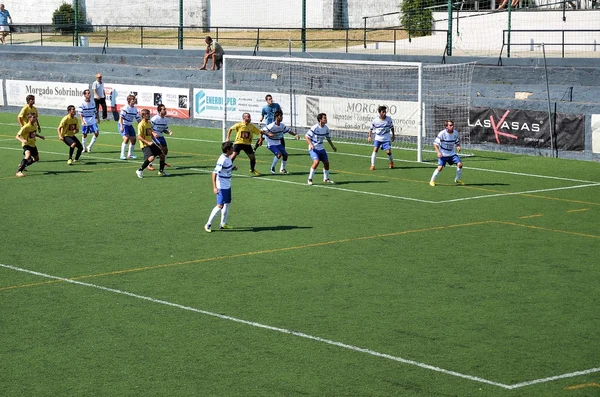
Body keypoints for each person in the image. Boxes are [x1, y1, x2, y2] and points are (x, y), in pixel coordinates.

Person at [204, 141, 237, 233]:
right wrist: (215, 187)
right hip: (221, 186)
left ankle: (223, 224)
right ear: (228, 150)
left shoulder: (228, 158)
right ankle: (208, 224)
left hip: (227, 185)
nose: (233, 149)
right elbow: (214, 173)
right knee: (220, 206)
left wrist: (232, 168)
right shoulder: (222, 159)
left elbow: (225, 169)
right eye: (232, 148)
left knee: (227, 203)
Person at [261, 110, 300, 174]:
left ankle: (282, 169)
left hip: (278, 142)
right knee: (279, 155)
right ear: (276, 117)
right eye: (280, 116)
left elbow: (288, 131)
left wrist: (295, 134)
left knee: (285, 155)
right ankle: (272, 168)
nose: (281, 118)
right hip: (270, 142)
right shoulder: (271, 126)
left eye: (282, 116)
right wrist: (267, 135)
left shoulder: (282, 126)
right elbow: (261, 131)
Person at [429, 120, 464, 187]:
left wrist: (458, 146)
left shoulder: (455, 133)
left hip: (452, 154)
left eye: (452, 125)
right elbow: (435, 144)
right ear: (446, 126)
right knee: (440, 167)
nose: (452, 126)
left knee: (460, 165)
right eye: (450, 125)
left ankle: (457, 179)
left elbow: (457, 141)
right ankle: (432, 181)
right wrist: (438, 152)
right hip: (443, 154)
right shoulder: (442, 133)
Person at [305, 113, 337, 185]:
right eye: (324, 118)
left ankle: (326, 179)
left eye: (326, 118)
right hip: (313, 148)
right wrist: (311, 144)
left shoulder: (326, 128)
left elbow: (328, 138)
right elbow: (306, 137)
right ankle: (310, 179)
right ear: (320, 120)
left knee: (326, 163)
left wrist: (333, 146)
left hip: (321, 148)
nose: (326, 119)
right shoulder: (315, 127)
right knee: (316, 162)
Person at [136, 109, 168, 178]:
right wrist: (147, 142)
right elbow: (139, 137)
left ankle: (161, 171)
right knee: (151, 157)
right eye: (147, 114)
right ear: (143, 115)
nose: (149, 115)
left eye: (149, 113)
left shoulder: (149, 123)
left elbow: (151, 133)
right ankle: (140, 170)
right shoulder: (141, 124)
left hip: (151, 143)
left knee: (162, 155)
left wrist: (156, 140)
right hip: (145, 144)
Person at [15, 113, 45, 177]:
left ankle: (23, 165)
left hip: (33, 145)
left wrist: (39, 136)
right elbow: (17, 136)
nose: (35, 118)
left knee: (36, 159)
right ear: (29, 118)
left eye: (35, 117)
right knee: (27, 155)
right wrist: (22, 140)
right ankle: (19, 172)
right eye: (34, 117)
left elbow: (33, 133)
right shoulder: (25, 127)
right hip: (26, 144)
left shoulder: (35, 125)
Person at [367, 105, 395, 170]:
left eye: (385, 112)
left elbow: (392, 127)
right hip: (378, 138)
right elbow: (371, 129)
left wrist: (393, 135)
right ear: (380, 113)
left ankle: (391, 162)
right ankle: (372, 165)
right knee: (375, 149)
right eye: (383, 112)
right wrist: (369, 136)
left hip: (386, 138)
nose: (384, 113)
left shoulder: (388, 119)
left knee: (388, 152)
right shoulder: (375, 120)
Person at [147, 104, 173, 171]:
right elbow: (149, 127)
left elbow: (164, 130)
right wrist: (153, 133)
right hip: (154, 137)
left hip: (161, 136)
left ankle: (163, 162)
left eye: (165, 109)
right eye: (163, 109)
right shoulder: (155, 118)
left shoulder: (165, 119)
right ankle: (149, 164)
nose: (165, 110)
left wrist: (168, 132)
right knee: (158, 150)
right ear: (159, 111)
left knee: (165, 150)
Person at [118, 94, 141, 160]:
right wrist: (121, 126)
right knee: (126, 138)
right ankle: (122, 155)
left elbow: (138, 119)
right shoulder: (125, 108)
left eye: (134, 99)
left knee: (133, 139)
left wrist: (143, 125)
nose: (134, 101)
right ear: (129, 101)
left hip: (129, 125)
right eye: (133, 100)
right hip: (123, 124)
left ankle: (130, 154)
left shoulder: (135, 109)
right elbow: (121, 118)